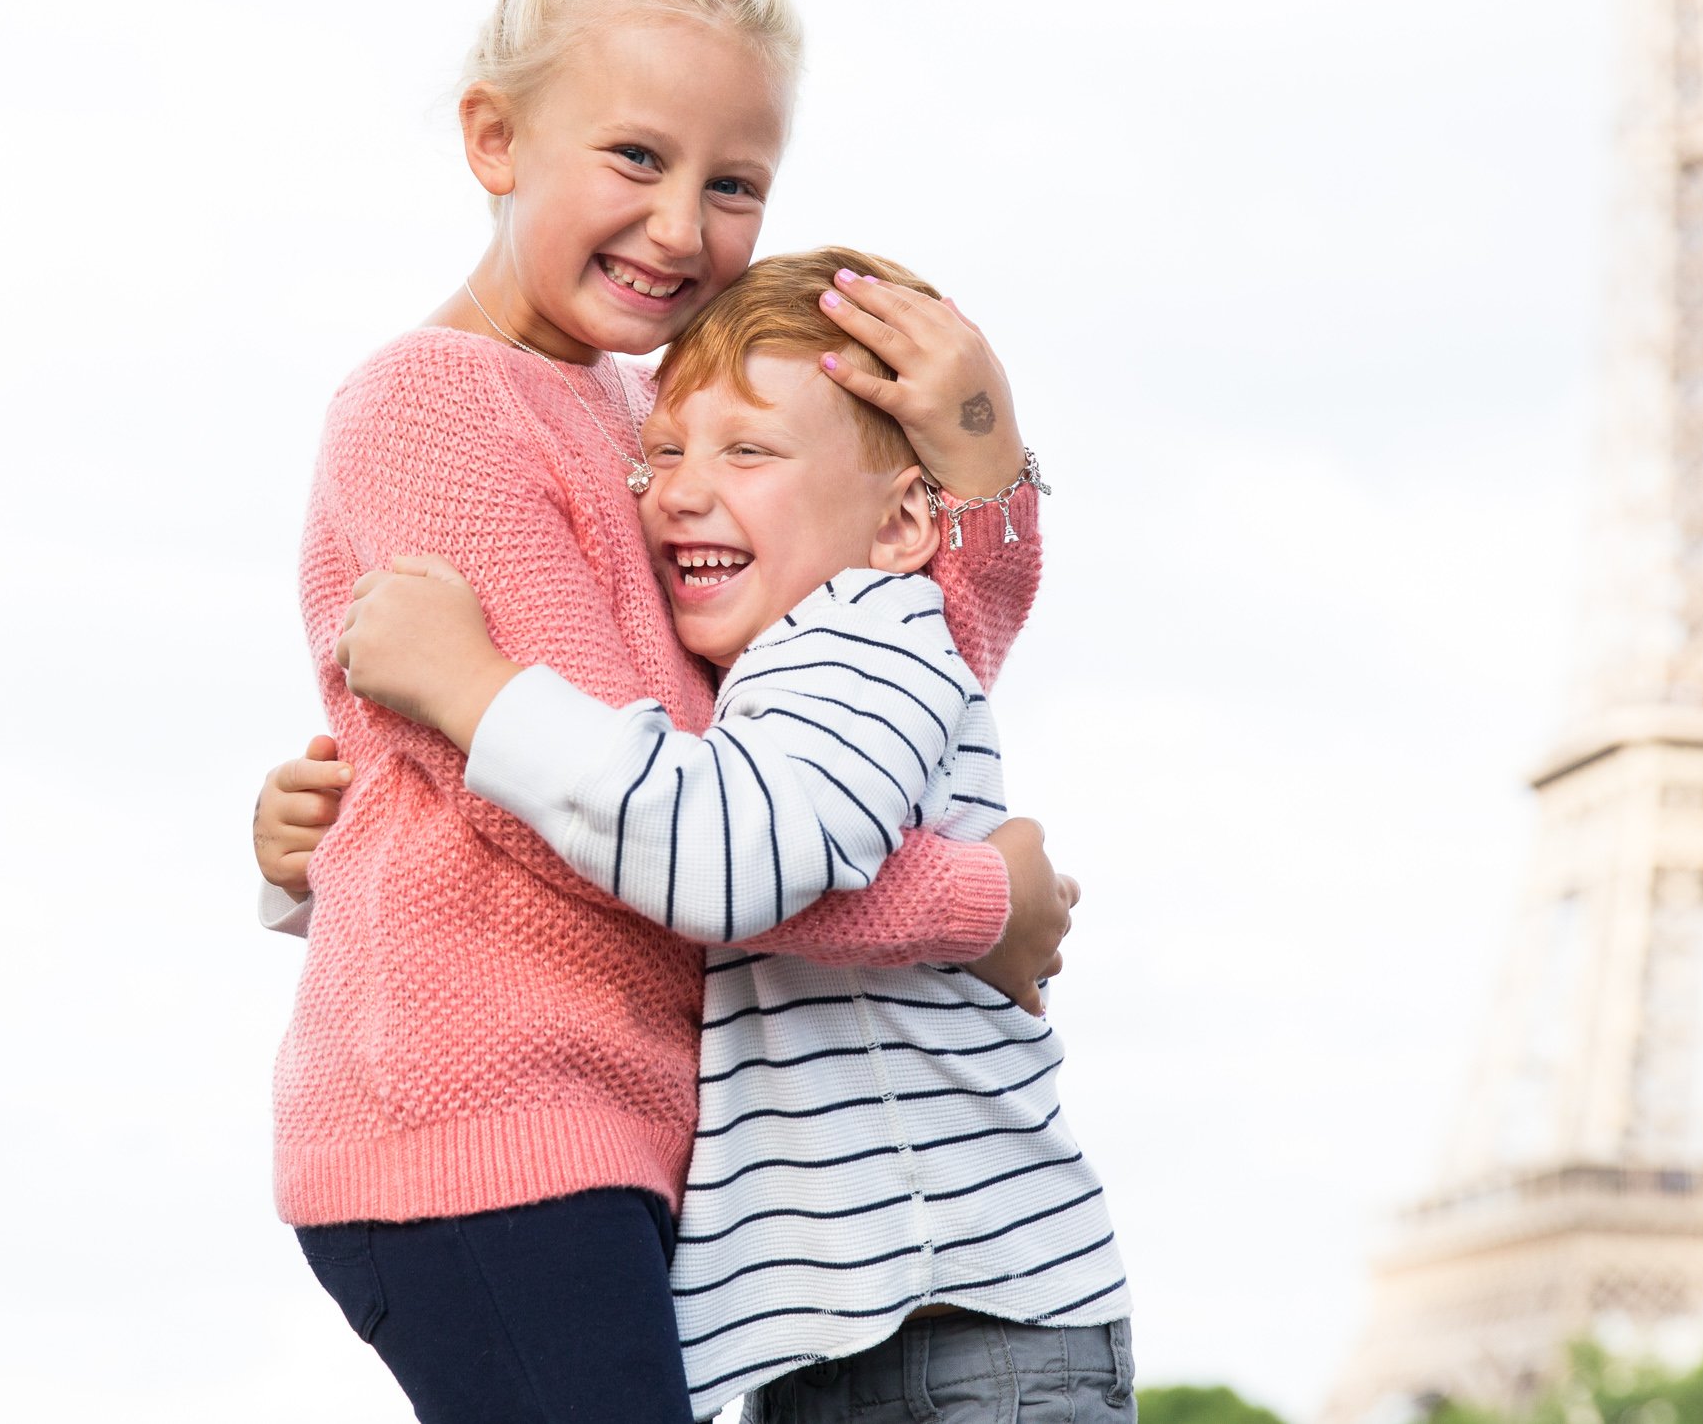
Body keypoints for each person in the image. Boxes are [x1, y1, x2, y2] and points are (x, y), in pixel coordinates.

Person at [260, 0, 1073, 1422]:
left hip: (615, 1128)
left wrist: (977, 455)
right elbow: (605, 817)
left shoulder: (657, 414)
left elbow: (898, 649)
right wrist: (976, 904)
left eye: (734, 183)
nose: (683, 225)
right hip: (482, 1123)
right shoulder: (429, 409)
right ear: (493, 138)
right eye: (635, 157)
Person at [323, 248, 1132, 1422]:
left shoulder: (868, 637)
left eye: (746, 451)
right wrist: (328, 847)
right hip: (843, 1343)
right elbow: (598, 840)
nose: (681, 490)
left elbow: (719, 854)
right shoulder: (748, 684)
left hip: (958, 1331)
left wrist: (475, 688)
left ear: (906, 519)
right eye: (660, 452)